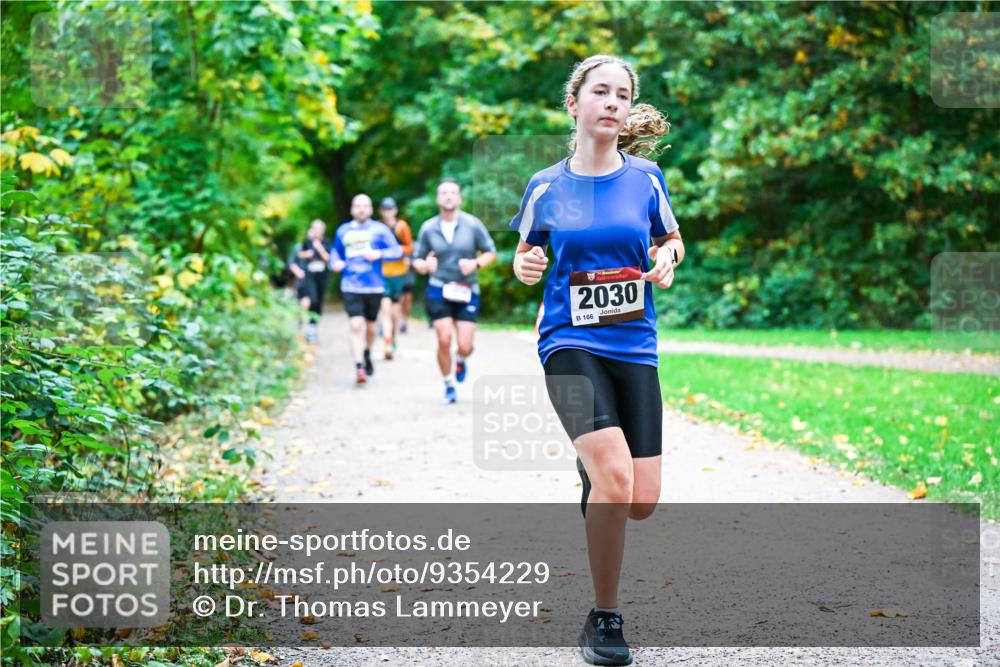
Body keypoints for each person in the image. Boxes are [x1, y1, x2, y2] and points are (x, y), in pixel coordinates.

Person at [510, 55, 684, 666]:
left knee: (641, 499)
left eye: (623, 94)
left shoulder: (646, 178)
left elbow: (671, 239)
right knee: (615, 479)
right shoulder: (546, 186)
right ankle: (604, 619)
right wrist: (523, 265)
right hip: (568, 343)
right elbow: (526, 254)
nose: (612, 101)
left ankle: (596, 472)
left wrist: (667, 259)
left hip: (635, 344)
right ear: (574, 103)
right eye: (600, 91)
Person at [412, 178, 496, 404]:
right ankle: (448, 384)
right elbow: (417, 260)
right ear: (438, 198)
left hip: (467, 288)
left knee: (466, 345)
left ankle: (461, 358)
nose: (448, 196)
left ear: (459, 198)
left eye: (452, 193)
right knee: (444, 338)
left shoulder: (472, 224)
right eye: (444, 193)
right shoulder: (429, 227)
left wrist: (475, 264)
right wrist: (425, 266)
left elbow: (490, 252)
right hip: (439, 287)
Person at [329, 194, 403, 384]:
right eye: (358, 206)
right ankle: (359, 366)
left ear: (370, 210)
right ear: (352, 209)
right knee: (355, 325)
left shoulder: (380, 230)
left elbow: (397, 251)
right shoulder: (343, 231)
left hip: (374, 285)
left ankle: (367, 352)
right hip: (350, 284)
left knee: (371, 327)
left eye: (365, 206)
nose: (361, 209)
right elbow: (335, 252)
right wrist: (335, 262)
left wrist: (379, 253)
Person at [376, 197, 414, 359]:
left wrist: (395, 250)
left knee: (394, 311)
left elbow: (410, 247)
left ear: (395, 211)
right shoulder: (377, 228)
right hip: (381, 273)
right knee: (384, 308)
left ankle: (393, 337)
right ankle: (387, 341)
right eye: (384, 209)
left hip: (398, 273)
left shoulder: (401, 227)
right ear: (380, 211)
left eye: (390, 209)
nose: (387, 212)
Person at [287, 219, 330, 343]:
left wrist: (319, 248)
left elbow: (328, 258)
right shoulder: (306, 242)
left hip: (321, 276)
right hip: (308, 276)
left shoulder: (325, 242)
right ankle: (302, 326)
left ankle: (312, 329)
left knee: (318, 303)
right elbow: (298, 255)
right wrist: (308, 254)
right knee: (311, 300)